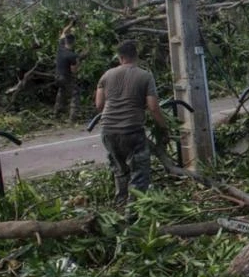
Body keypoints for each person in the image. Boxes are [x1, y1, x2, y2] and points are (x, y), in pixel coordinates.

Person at [94, 40, 169, 205]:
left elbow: (99, 105)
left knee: (120, 171)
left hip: (108, 131)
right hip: (131, 131)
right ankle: (134, 212)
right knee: (139, 174)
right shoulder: (145, 76)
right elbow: (153, 107)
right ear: (136, 56)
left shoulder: (106, 75)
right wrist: (163, 128)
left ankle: (121, 206)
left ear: (120, 58)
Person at [53, 24, 80, 122]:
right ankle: (73, 118)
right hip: (66, 77)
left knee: (61, 92)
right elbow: (74, 71)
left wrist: (72, 23)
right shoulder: (72, 55)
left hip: (57, 76)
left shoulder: (60, 47)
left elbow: (64, 31)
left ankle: (56, 114)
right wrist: (77, 63)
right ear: (73, 42)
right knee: (75, 94)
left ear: (65, 41)